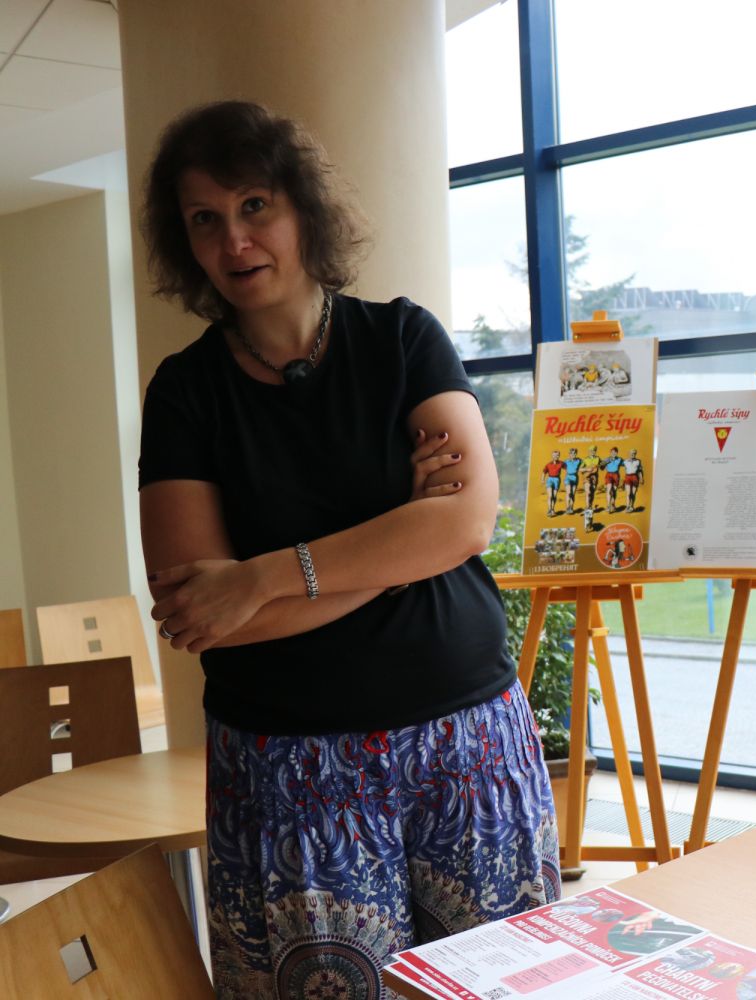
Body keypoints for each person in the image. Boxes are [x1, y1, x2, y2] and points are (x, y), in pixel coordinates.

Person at [135, 102, 559, 994]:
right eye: (204, 219)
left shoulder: (403, 338)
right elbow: (204, 617)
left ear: (304, 209)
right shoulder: (184, 394)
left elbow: (464, 525)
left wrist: (263, 576)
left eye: (255, 205)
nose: (234, 240)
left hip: (468, 746)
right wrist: (401, 542)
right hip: (290, 774)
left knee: (506, 986)